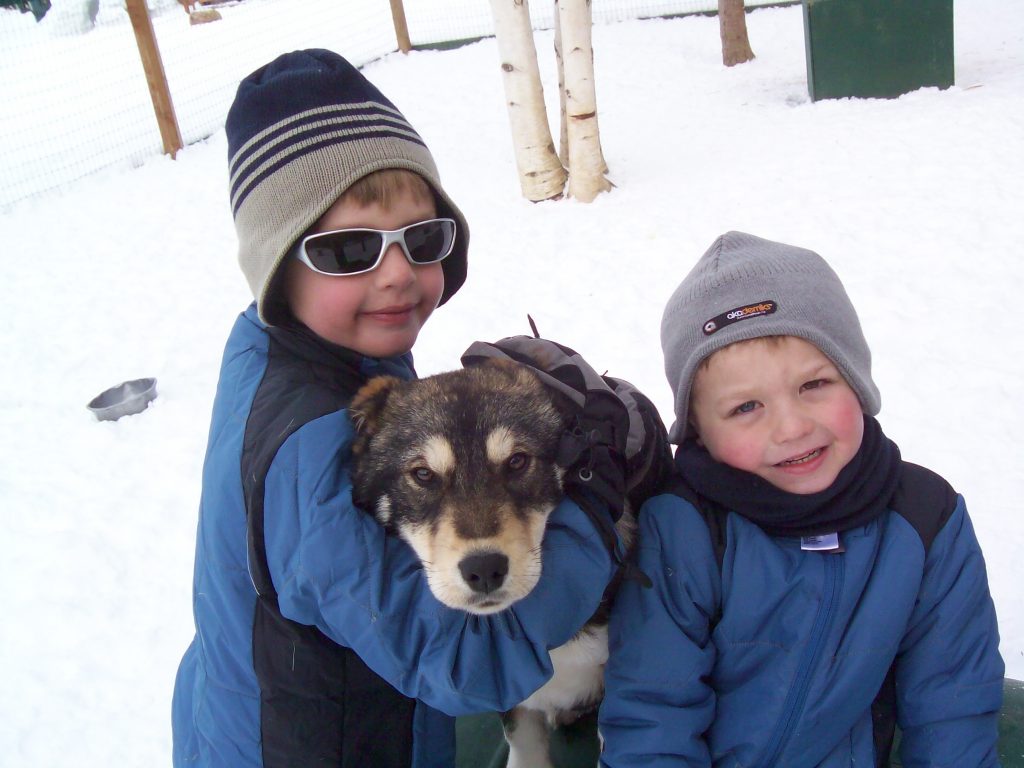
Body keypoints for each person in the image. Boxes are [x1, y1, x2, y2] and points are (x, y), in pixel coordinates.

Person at [171, 49, 623, 768]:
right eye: (348, 249)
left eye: (422, 240)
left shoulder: (303, 352)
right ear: (276, 262)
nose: (396, 275)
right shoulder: (307, 447)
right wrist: (598, 503)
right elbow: (466, 665)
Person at [599, 231, 1005, 767]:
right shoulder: (686, 528)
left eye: (814, 386)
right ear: (697, 429)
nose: (790, 427)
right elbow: (653, 713)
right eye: (746, 407)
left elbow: (952, 702)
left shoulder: (926, 520)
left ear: (856, 380)